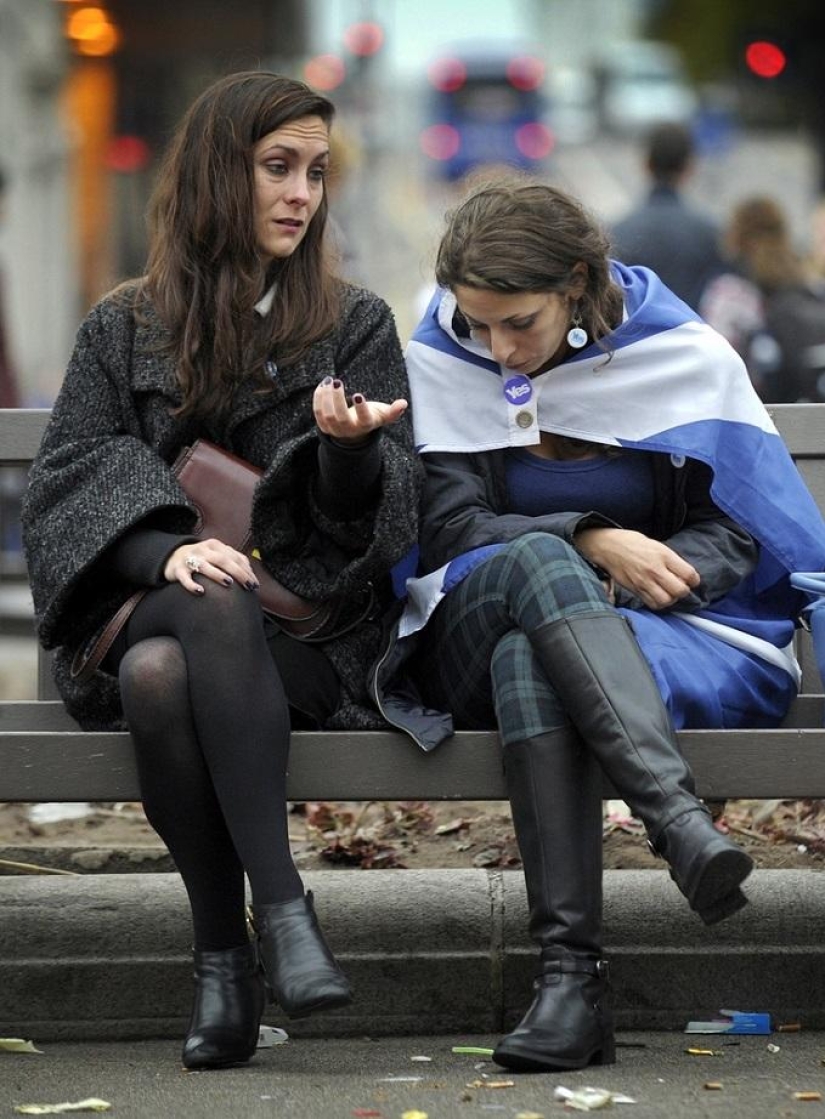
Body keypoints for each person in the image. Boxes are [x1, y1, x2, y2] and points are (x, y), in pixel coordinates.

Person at [21, 71, 420, 1071]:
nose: (300, 194)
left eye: (316, 173)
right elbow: (67, 481)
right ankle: (281, 909)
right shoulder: (124, 325)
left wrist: (347, 454)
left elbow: (381, 523)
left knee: (168, 673)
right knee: (192, 615)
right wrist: (166, 548)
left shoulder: (353, 322)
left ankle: (225, 961)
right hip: (142, 606)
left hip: (307, 641)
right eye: (277, 167)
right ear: (215, 173)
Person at [398, 178, 825, 1073]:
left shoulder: (676, 353)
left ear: (577, 285)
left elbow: (739, 528)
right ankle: (675, 819)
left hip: (676, 624)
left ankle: (570, 984)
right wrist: (592, 541)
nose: (497, 348)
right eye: (478, 323)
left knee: (534, 656)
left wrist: (637, 577)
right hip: (469, 616)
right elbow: (448, 530)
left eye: (519, 323)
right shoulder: (443, 359)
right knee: (540, 568)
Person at [702, 195, 825, 403]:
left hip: (749, 405)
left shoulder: (730, 288)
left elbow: (714, 358)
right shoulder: (804, 279)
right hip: (802, 403)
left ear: (736, 235)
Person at [610, 121, 725, 312]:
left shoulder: (616, 233)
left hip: (638, 330)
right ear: (689, 166)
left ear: (646, 164)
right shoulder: (712, 234)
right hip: (697, 327)